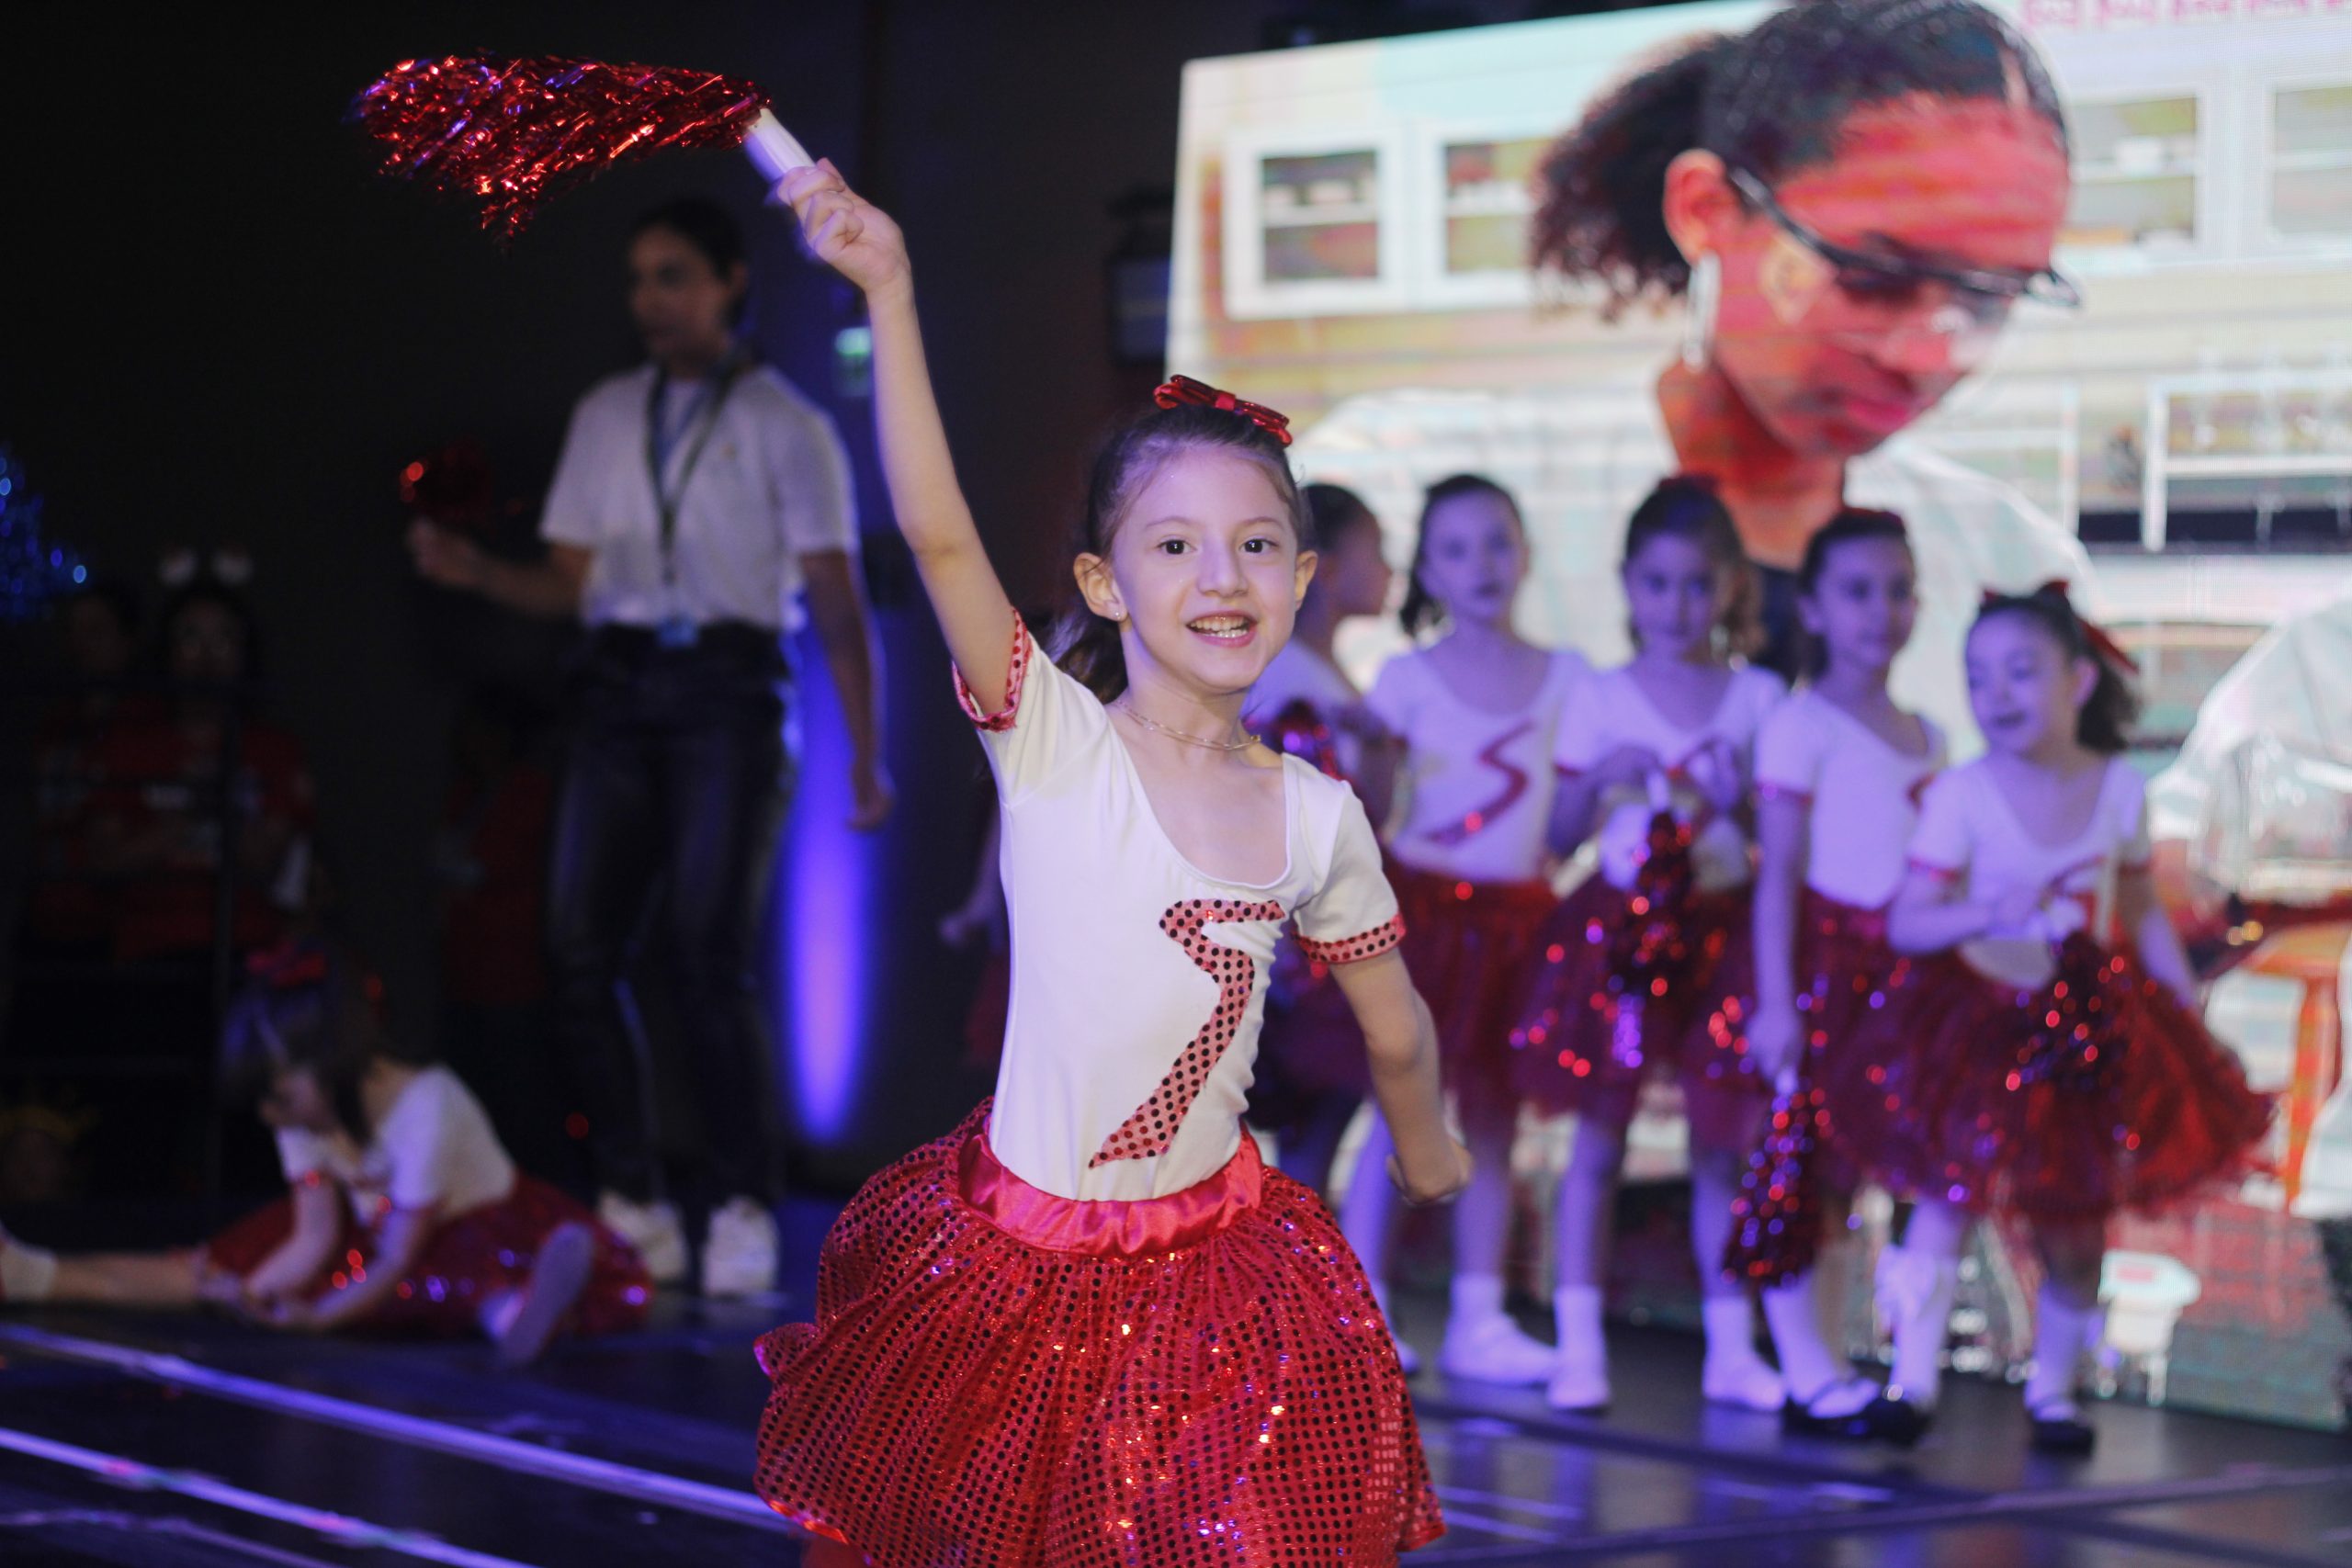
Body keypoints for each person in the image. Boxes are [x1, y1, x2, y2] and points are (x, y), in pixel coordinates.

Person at [753, 162, 1465, 1567]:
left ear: (1305, 581)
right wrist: (888, 291)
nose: (1224, 575)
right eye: (1177, 543)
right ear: (1102, 585)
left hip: (1219, 1268)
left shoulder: (1316, 811)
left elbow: (1395, 1014)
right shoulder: (1054, 741)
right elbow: (938, 529)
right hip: (1013, 1271)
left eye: (1259, 543)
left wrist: (1430, 1142)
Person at [1294, 0, 2092, 751]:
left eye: (1989, 300)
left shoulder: (2011, 560)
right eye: (1873, 275)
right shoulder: (1403, 484)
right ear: (1707, 210)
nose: (1926, 355)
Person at [410, 197, 892, 1298]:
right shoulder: (605, 413)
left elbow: (835, 597)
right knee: (576, 945)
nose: (650, 302)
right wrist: (476, 573)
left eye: (673, 276)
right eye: (638, 280)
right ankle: (629, 1195)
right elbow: (571, 584)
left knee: (704, 950)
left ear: (729, 283)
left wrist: (868, 752)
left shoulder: (787, 423)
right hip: (620, 686)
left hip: (728, 689)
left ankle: (739, 1201)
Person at [1824, 585, 2270, 1451]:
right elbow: (1912, 917)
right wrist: (1987, 912)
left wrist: (2184, 1005)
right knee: (1942, 1203)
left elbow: (2138, 907)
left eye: (2021, 673)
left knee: (2073, 1218)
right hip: (1974, 1027)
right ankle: (1909, 1381)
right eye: (1978, 677)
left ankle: (2055, 1390)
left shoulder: (2114, 792)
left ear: (2077, 680)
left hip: (2082, 1032)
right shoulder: (1961, 793)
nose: (1999, 695)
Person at [0, 945, 651, 1366]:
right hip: (371, 1232)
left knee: (463, 1281)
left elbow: (401, 1255)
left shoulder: (429, 1103)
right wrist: (254, 1293)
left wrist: (315, 1319)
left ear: (329, 1064)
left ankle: (521, 1308)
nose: (272, 1118)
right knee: (229, 1262)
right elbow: (313, 1234)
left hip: (470, 1230)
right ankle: (28, 1272)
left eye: (280, 1097)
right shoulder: (304, 1110)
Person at [1510, 476, 1782, 1414]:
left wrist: (1734, 794)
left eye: (1698, 586)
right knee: (1598, 1139)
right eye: (1658, 585)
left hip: (1721, 934)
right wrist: (1606, 783)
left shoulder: (1755, 699)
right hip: (1619, 933)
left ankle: (1731, 1347)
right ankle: (1576, 1340)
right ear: (1628, 585)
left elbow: (1769, 831)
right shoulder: (1598, 695)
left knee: (1720, 1146)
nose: (1677, 607)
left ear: (1731, 588)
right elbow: (1560, 832)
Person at [1336, 474, 1587, 1383]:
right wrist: (1363, 748)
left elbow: (1561, 831)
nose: (1479, 564)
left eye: (1495, 542)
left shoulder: (1568, 678)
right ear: (1428, 573)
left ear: (1523, 552)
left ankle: (1481, 1314)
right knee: (1399, 1108)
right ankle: (1361, 1301)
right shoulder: (1405, 680)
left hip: (1519, 921)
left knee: (1492, 1112)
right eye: (1455, 549)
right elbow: (1369, 805)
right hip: (1424, 919)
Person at [1727, 507, 1944, 1437]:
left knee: (1874, 1170)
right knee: (1803, 1167)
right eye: (1856, 592)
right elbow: (1777, 870)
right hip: (1821, 969)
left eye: (1896, 591)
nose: (1879, 612)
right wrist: (1778, 998)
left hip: (1908, 975)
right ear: (1812, 609)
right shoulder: (1797, 724)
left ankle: (1844, 1355)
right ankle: (1808, 1368)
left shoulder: (1929, 733)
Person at [1243, 481, 1400, 1194]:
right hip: (1282, 943)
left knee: (1315, 1131)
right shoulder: (1282, 680)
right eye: (1380, 550)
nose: (1392, 568)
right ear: (1327, 568)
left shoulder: (1332, 680)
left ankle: (1296, 1285)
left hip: (1322, 933)